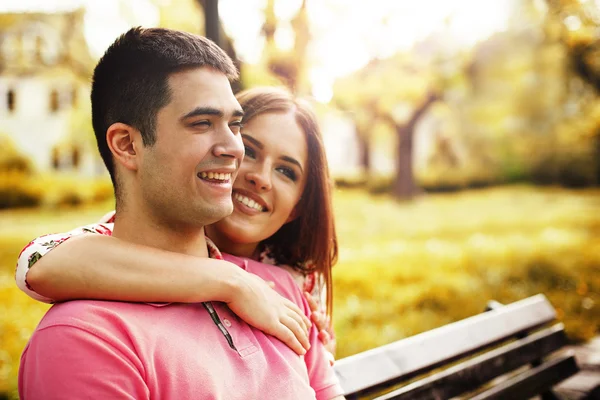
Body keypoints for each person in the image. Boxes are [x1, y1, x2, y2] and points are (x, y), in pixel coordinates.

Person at [18, 27, 343, 400]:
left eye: (234, 125)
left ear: (298, 208)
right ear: (127, 145)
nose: (234, 151)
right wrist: (230, 280)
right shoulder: (85, 336)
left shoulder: (284, 287)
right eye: (202, 123)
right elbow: (40, 263)